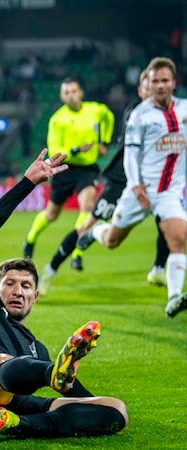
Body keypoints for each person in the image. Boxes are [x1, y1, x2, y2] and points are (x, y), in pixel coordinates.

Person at [0, 149, 128, 438]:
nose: (17, 290)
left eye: (25, 286)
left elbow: (78, 399)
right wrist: (28, 182)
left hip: (12, 407)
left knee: (116, 409)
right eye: (10, 283)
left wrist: (89, 403)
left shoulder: (36, 348)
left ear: (35, 296)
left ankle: (19, 425)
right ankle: (48, 379)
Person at [37, 69, 168, 294]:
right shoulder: (134, 112)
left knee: (171, 224)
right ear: (141, 90)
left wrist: (103, 139)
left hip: (155, 181)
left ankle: (160, 270)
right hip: (122, 179)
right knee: (91, 227)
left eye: (160, 84)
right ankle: (51, 268)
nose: (155, 88)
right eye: (149, 85)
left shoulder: (171, 113)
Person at [77, 57, 187, 318]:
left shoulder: (184, 110)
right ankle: (95, 233)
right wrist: (136, 185)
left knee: (179, 239)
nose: (160, 85)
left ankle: (173, 298)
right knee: (113, 240)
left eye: (165, 80)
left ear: (173, 82)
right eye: (155, 81)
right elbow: (130, 154)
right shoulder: (140, 115)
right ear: (149, 83)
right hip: (140, 192)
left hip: (169, 192)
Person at [22, 78, 114, 267]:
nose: (71, 95)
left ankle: (77, 251)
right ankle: (30, 239)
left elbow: (109, 117)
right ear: (62, 96)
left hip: (87, 168)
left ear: (81, 92)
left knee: (87, 207)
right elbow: (55, 148)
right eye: (67, 92)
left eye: (74, 91)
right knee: (51, 214)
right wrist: (76, 149)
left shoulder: (95, 110)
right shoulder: (58, 119)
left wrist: (104, 140)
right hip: (64, 169)